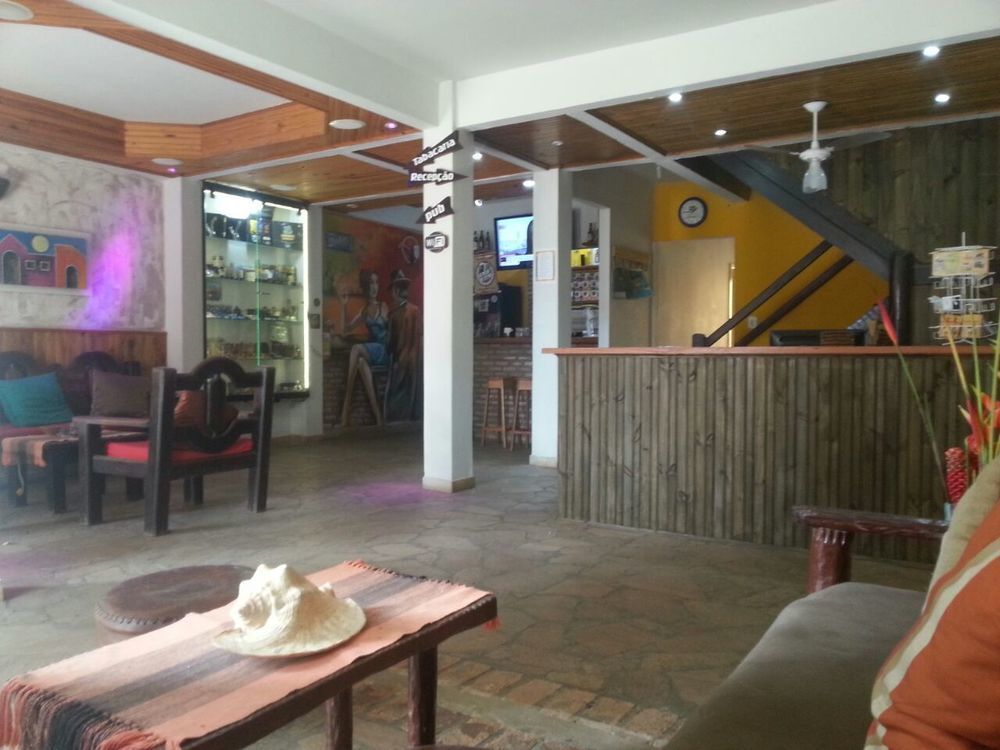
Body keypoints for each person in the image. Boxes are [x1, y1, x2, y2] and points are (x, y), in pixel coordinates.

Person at [340, 269, 389, 426]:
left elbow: (393, 331)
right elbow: (345, 329)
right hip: (373, 352)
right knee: (360, 363)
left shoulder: (383, 307)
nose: (374, 287)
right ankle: (379, 418)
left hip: (384, 350)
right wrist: (344, 306)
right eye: (371, 283)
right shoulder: (364, 311)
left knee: (356, 349)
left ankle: (345, 407)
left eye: (376, 282)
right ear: (366, 287)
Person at [386, 269, 421, 421]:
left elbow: (390, 344)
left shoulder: (394, 314)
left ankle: (397, 419)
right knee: (413, 392)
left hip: (401, 361)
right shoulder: (416, 310)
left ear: (396, 291)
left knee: (397, 394)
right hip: (416, 360)